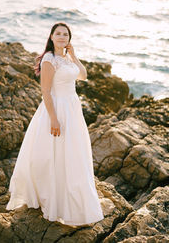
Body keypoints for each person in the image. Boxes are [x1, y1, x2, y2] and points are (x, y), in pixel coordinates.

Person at [6, 21, 104, 226]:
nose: (62, 37)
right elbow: (46, 92)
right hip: (57, 109)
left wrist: (74, 55)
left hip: (72, 109)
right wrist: (53, 118)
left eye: (65, 35)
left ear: (69, 39)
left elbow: (83, 76)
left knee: (73, 153)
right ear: (51, 37)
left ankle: (71, 194)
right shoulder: (49, 60)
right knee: (54, 154)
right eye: (58, 34)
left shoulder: (67, 58)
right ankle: (53, 198)